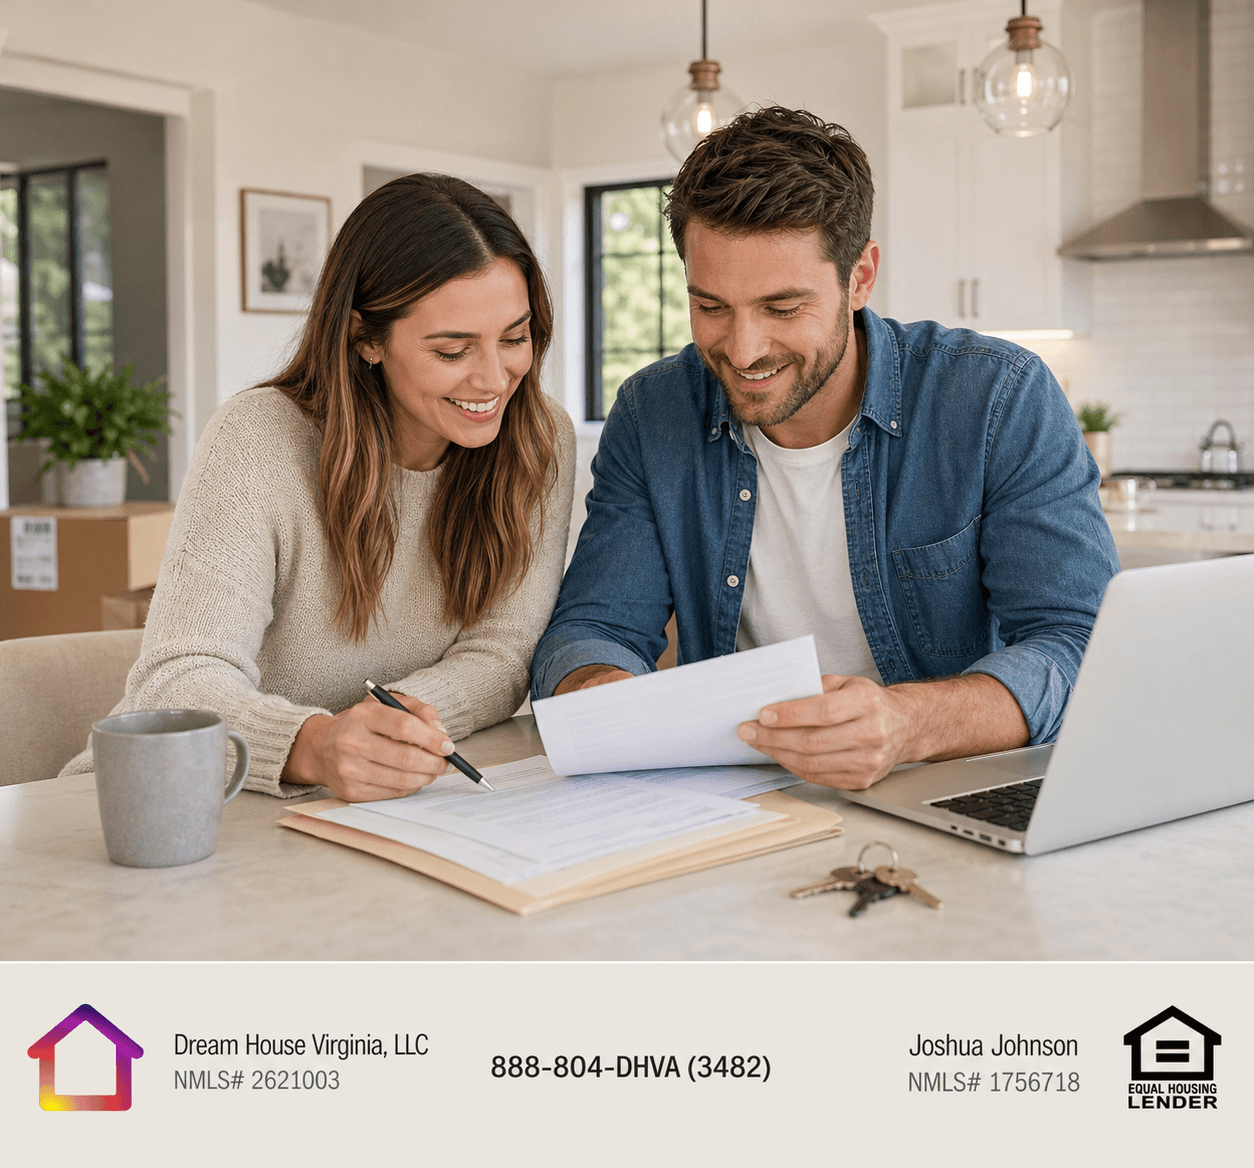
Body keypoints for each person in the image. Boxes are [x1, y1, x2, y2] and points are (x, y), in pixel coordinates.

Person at [532, 106, 1119, 791]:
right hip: (733, 794)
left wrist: (908, 723)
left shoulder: (996, 398)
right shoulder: (652, 412)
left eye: (783, 308)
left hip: (942, 781)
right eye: (711, 307)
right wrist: (597, 688)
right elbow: (594, 625)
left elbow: (1081, 646)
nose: (742, 350)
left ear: (860, 277)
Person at [64, 173, 575, 801]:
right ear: (366, 338)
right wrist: (316, 745)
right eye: (452, 351)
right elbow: (177, 681)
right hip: (173, 798)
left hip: (368, 804)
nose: (496, 379)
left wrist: (388, 732)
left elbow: (503, 652)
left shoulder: (538, 438)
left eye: (516, 338)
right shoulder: (257, 438)